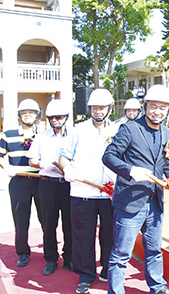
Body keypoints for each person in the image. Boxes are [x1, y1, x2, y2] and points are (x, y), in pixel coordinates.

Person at [102, 84, 169, 294]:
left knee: (154, 250)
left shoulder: (167, 134)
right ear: (145, 106)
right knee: (121, 253)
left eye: (163, 108)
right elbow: (108, 156)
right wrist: (130, 170)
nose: (158, 112)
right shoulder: (129, 129)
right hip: (130, 203)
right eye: (153, 106)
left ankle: (158, 287)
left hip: (155, 203)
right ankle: (116, 291)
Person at [59, 88, 118, 294]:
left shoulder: (117, 130)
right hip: (83, 192)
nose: (98, 111)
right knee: (83, 235)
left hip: (109, 192)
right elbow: (63, 156)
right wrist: (67, 169)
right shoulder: (78, 130)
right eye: (94, 107)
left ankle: (107, 269)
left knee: (110, 233)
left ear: (109, 108)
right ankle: (86, 274)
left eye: (102, 107)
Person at [27, 99, 72, 276]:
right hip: (47, 184)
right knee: (48, 223)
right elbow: (31, 160)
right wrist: (42, 164)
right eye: (51, 117)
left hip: (68, 184)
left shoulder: (73, 135)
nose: (54, 120)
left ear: (66, 117)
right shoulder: (42, 136)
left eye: (58, 117)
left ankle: (69, 257)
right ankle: (51, 258)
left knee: (69, 223)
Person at [0, 98, 43, 268]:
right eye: (24, 113)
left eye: (31, 112)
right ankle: (23, 252)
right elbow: (0, 155)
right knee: (20, 219)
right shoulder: (8, 134)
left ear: (37, 115)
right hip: (18, 181)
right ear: (19, 115)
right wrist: (6, 167)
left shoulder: (44, 135)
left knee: (46, 218)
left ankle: (49, 252)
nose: (27, 116)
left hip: (41, 182)